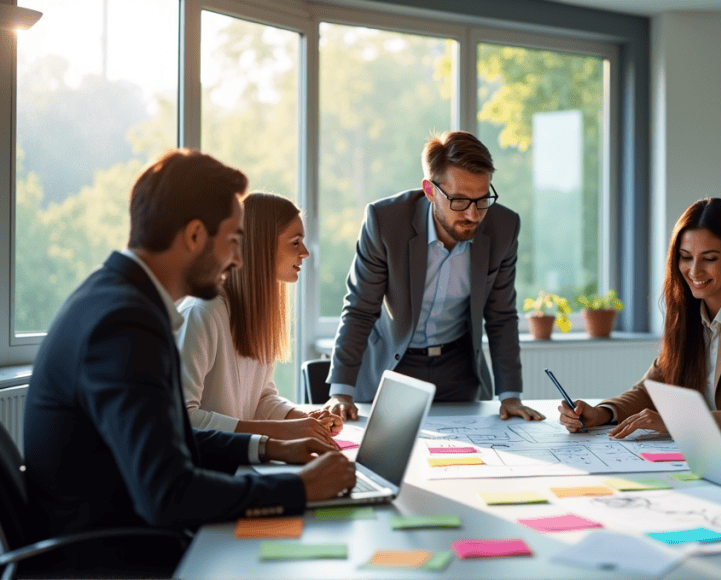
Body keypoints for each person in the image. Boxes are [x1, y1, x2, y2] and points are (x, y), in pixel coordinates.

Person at [22, 150, 356, 575]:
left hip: (125, 532)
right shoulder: (124, 323)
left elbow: (174, 436)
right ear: (195, 235)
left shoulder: (118, 299)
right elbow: (167, 493)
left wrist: (273, 447)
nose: (238, 259)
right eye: (234, 240)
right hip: (113, 555)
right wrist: (297, 488)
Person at [322, 131, 542, 422]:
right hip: (393, 364)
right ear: (430, 191)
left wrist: (510, 396)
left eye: (482, 199)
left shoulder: (503, 227)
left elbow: (501, 315)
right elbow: (360, 309)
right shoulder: (386, 222)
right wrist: (340, 391)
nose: (474, 216)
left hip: (458, 369)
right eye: (460, 201)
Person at [559, 197, 721, 437]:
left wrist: (679, 422)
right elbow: (651, 389)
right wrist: (602, 412)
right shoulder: (690, 314)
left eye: (709, 258)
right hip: (715, 452)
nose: (694, 271)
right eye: (685, 257)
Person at [177, 192, 342, 446]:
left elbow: (262, 399)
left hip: (239, 458)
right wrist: (284, 432)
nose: (306, 253)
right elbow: (183, 419)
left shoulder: (254, 313)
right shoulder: (202, 313)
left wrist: (306, 420)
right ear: (261, 246)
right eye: (295, 242)